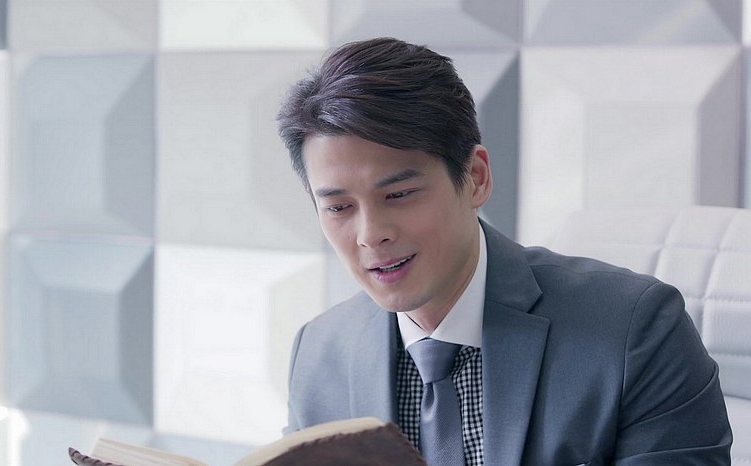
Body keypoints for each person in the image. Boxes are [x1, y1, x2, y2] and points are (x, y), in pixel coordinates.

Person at [275, 37, 732, 465]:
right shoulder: (318, 354)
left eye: (399, 194)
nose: (370, 235)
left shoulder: (637, 330)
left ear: (475, 177)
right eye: (338, 207)